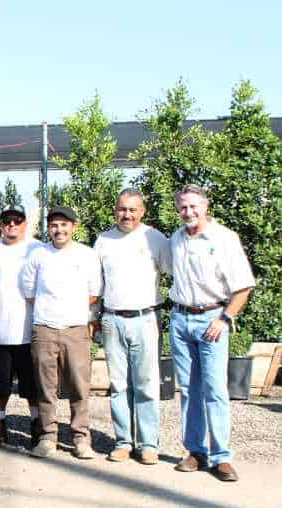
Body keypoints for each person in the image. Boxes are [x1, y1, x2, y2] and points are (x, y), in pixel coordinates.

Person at [168, 185, 254, 482]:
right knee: (189, 390)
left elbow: (243, 287)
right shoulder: (176, 239)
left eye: (193, 206)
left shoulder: (224, 238)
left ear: (205, 206)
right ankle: (195, 451)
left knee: (215, 390)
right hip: (180, 320)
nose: (188, 212)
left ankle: (222, 457)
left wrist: (225, 318)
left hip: (212, 320)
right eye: (183, 207)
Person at [94, 189, 170, 465]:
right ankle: (124, 441)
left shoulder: (155, 238)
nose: (127, 214)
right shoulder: (103, 240)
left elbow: (174, 271)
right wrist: (94, 317)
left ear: (142, 212)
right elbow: (97, 284)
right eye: (122, 209)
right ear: (115, 209)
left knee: (147, 384)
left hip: (146, 318)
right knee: (118, 385)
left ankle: (148, 444)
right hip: (112, 318)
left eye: (132, 210)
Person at [21, 206, 102, 460]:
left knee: (79, 386)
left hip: (75, 330)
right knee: (46, 387)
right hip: (44, 329)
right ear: (49, 228)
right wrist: (50, 312)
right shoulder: (37, 255)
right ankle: (48, 437)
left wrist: (71, 311)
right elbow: (29, 291)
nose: (59, 230)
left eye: (64, 225)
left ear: (73, 227)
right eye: (54, 225)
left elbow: (94, 291)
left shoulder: (87, 255)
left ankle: (80, 437)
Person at [0, 205, 44, 447]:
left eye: (17, 220)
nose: (12, 225)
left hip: (29, 330)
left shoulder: (37, 249)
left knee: (32, 387)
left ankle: (37, 425)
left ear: (25, 223)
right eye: (7, 220)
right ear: (0, 224)